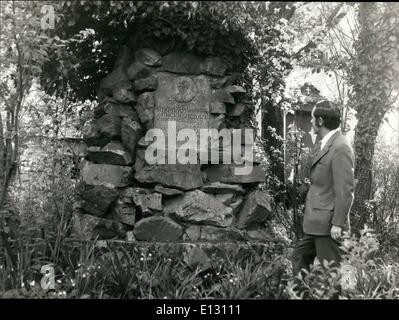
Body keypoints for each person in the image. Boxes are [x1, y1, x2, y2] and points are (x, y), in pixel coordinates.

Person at [291, 100, 355, 278]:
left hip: (329, 226)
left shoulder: (341, 147)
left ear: (320, 121)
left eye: (312, 118)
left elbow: (345, 190)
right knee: (299, 258)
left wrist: (337, 224)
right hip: (315, 222)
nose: (310, 121)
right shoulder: (326, 143)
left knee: (331, 275)